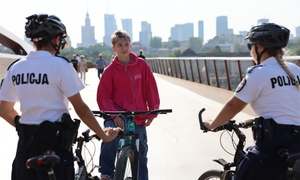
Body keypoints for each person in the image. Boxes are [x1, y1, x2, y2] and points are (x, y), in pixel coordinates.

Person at [0, 14, 119, 180]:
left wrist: (22, 126)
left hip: (25, 147)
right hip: (56, 145)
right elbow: (81, 110)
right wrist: (103, 135)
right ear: (55, 39)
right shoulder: (61, 65)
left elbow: (4, 109)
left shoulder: (16, 68)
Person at [204, 23, 300, 180]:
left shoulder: (258, 73)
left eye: (251, 45)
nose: (250, 50)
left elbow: (233, 105)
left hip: (272, 149)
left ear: (260, 47)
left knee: (244, 172)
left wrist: (212, 124)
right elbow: (286, 105)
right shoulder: (295, 70)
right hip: (296, 148)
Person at [97, 30, 160, 180]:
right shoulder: (109, 71)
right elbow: (103, 97)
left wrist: (152, 113)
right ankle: (106, 174)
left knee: (142, 153)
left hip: (138, 116)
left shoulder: (142, 66)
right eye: (120, 45)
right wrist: (115, 115)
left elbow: (150, 89)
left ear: (130, 45)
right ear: (114, 48)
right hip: (116, 115)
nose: (124, 48)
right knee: (109, 138)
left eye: (126, 44)